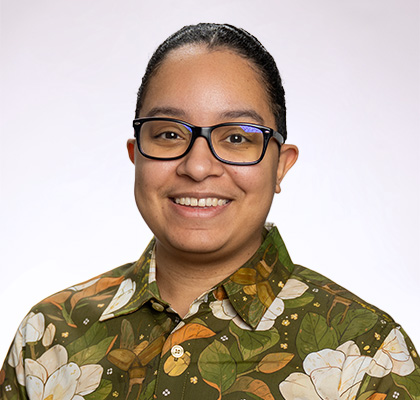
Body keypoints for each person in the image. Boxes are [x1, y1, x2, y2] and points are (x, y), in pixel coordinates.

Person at [1, 23, 419, 400]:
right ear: (136, 156)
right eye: (168, 133)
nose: (198, 167)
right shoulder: (48, 337)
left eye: (237, 137)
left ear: (281, 165)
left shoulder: (368, 354)